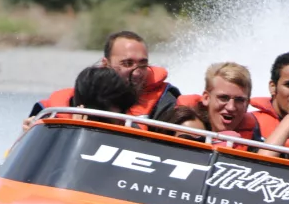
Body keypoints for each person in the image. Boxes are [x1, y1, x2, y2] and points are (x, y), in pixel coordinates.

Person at [22, 30, 180, 131]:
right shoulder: (75, 99)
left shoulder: (165, 101)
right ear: (106, 64)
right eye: (127, 63)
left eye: (143, 64)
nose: (137, 72)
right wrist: (30, 132)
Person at [175, 62, 262, 142]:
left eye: (239, 100)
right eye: (223, 98)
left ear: (247, 104)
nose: (231, 107)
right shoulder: (185, 126)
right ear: (206, 98)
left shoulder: (254, 142)